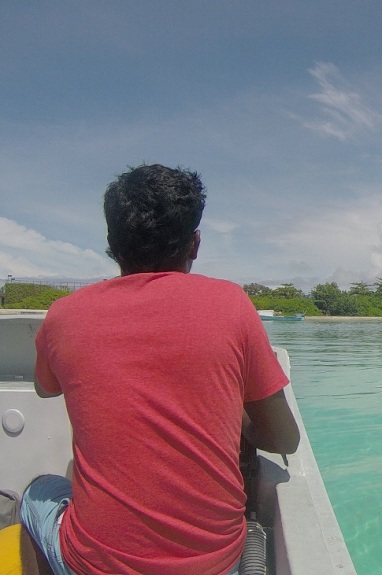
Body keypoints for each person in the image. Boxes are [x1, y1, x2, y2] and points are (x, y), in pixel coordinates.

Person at [21, 164, 300, 575]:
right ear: (195, 244)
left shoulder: (63, 316)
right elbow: (284, 439)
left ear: (112, 244)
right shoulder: (231, 304)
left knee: (37, 490)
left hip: (97, 565)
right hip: (215, 563)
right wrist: (235, 414)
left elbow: (45, 389)